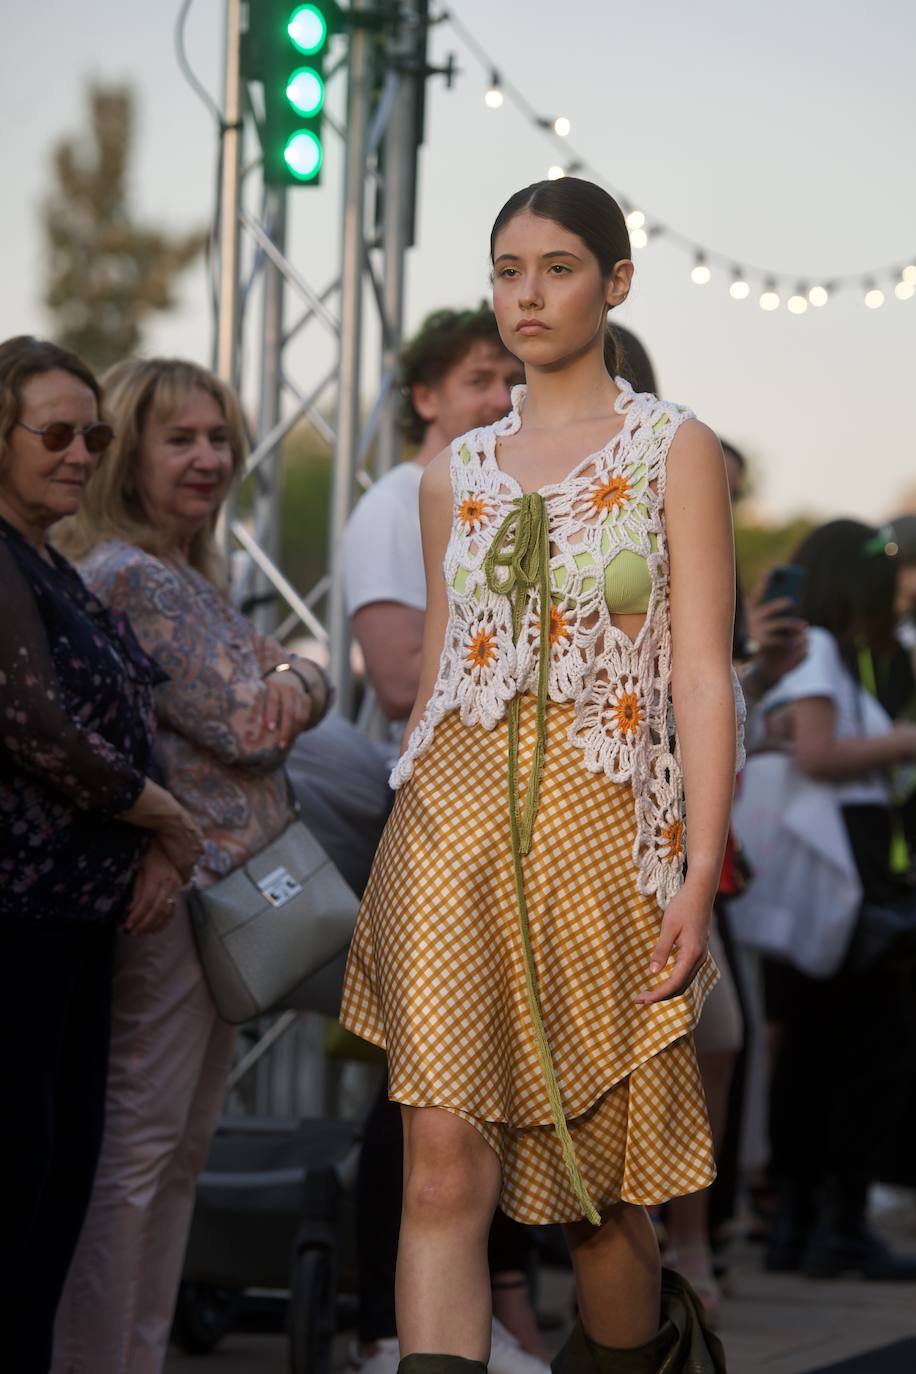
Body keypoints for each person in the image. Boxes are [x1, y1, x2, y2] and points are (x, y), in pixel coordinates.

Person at [340, 177, 739, 1372]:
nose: (527, 292)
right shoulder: (449, 473)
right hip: (450, 832)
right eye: (508, 268)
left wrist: (698, 865)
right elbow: (447, 677)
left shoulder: (674, 448)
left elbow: (703, 677)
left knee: (600, 1197)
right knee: (442, 1165)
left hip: (605, 835)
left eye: (557, 266)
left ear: (615, 283)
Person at [52, 357, 332, 1373]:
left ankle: (133, 1354)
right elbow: (249, 724)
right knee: (140, 1154)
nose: (210, 457)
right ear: (128, 454)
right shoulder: (133, 578)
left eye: (219, 438)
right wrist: (295, 677)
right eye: (182, 439)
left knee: (171, 1156)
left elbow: (301, 680)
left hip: (216, 901)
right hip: (173, 904)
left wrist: (298, 674)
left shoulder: (183, 575)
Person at [342, 308, 549, 1374]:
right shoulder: (395, 502)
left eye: (513, 378)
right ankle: (388, 1331)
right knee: (422, 1096)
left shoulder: (502, 492)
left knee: (486, 1088)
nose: (502, 397)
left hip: (514, 817)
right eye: (479, 378)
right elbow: (394, 675)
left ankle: (466, 1321)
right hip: (434, 810)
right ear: (425, 397)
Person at [0, 335, 203, 1374]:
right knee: (22, 1181)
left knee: (63, 1178)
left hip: (80, 921)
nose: (81, 453)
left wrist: (156, 843)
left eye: (95, 434)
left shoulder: (50, 560)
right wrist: (164, 818)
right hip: (17, 921)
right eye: (55, 433)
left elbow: (132, 712)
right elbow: (32, 722)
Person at [758, 520, 916, 1280]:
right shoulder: (822, 650)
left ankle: (800, 1224)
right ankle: (838, 1225)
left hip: (826, 869)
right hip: (843, 872)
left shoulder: (814, 650)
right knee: (861, 1057)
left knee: (814, 1058)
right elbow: (820, 754)